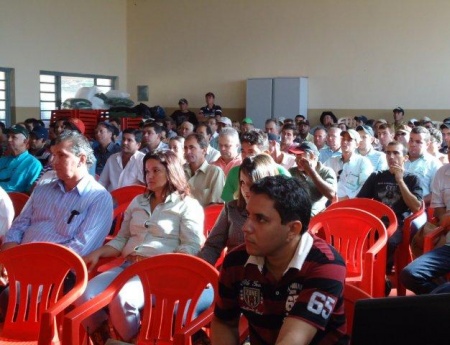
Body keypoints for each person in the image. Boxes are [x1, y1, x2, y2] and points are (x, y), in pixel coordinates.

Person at [77, 150, 205, 343]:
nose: (149, 176)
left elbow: (191, 245)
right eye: (147, 171)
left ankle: (133, 340)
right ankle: (108, 338)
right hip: (128, 267)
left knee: (123, 299)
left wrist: (171, 267)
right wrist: (99, 252)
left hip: (159, 273)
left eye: (156, 170)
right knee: (84, 295)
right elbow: (122, 239)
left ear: (171, 172)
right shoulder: (139, 201)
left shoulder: (187, 205)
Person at [211, 175, 347, 345]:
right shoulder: (236, 262)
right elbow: (224, 321)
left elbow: (292, 340)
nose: (245, 227)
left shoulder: (326, 264)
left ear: (292, 229)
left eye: (260, 219)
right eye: (248, 215)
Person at [1, 130, 113, 256]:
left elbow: (80, 247)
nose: (53, 162)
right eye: (53, 155)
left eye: (61, 155)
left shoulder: (98, 198)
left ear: (81, 159)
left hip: (57, 269)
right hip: (20, 259)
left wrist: (32, 262)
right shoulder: (43, 189)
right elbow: (18, 227)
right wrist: (8, 258)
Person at [199, 154, 279, 266]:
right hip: (232, 271)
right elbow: (212, 246)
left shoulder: (280, 213)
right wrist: (200, 271)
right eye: (242, 183)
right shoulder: (232, 208)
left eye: (251, 185)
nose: (246, 190)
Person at [357, 141, 423, 275]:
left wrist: (400, 180)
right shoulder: (377, 176)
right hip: (375, 222)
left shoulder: (412, 179)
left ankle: (382, 276)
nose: (391, 156)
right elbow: (360, 201)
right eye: (388, 153)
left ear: (405, 157)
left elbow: (416, 207)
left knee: (388, 241)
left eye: (396, 153)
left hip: (398, 224)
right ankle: (361, 272)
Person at [400, 154, 450, 295]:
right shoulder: (442, 172)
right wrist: (445, 220)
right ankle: (439, 300)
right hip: (448, 245)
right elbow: (439, 210)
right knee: (410, 275)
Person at [289, 142, 337, 216]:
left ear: (312, 156)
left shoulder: (326, 172)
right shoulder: (292, 171)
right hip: (295, 215)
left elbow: (332, 195)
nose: (296, 160)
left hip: (317, 218)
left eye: (300, 156)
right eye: (296, 156)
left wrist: (310, 170)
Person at [325, 129, 373, 200]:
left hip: (351, 204)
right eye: (343, 139)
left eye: (349, 140)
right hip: (330, 202)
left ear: (357, 144)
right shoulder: (331, 161)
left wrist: (347, 198)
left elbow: (365, 186)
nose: (345, 142)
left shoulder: (363, 162)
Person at [184, 133, 225, 206]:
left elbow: (217, 206)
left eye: (192, 147)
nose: (187, 152)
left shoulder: (215, 172)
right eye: (185, 148)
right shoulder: (180, 171)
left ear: (204, 150)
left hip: (206, 216)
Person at [0, 125, 42, 193]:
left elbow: (31, 193)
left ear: (25, 141)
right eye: (8, 136)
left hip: (13, 200)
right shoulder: (3, 159)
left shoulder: (33, 164)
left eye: (13, 137)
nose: (9, 140)